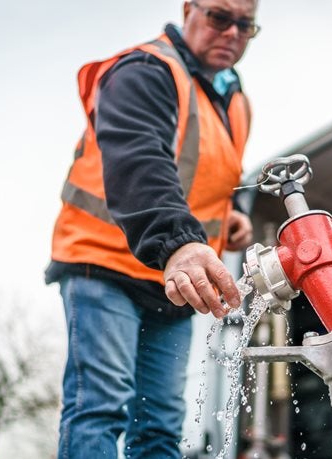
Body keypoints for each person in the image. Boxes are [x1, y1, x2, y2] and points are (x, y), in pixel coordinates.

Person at [45, 1, 258, 457]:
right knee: (99, 407)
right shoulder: (144, 70)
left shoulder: (235, 102)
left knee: (160, 423)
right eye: (220, 17)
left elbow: (218, 172)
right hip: (103, 262)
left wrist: (235, 209)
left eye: (246, 24)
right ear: (189, 10)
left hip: (171, 278)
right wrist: (178, 242)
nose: (232, 33)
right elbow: (140, 159)